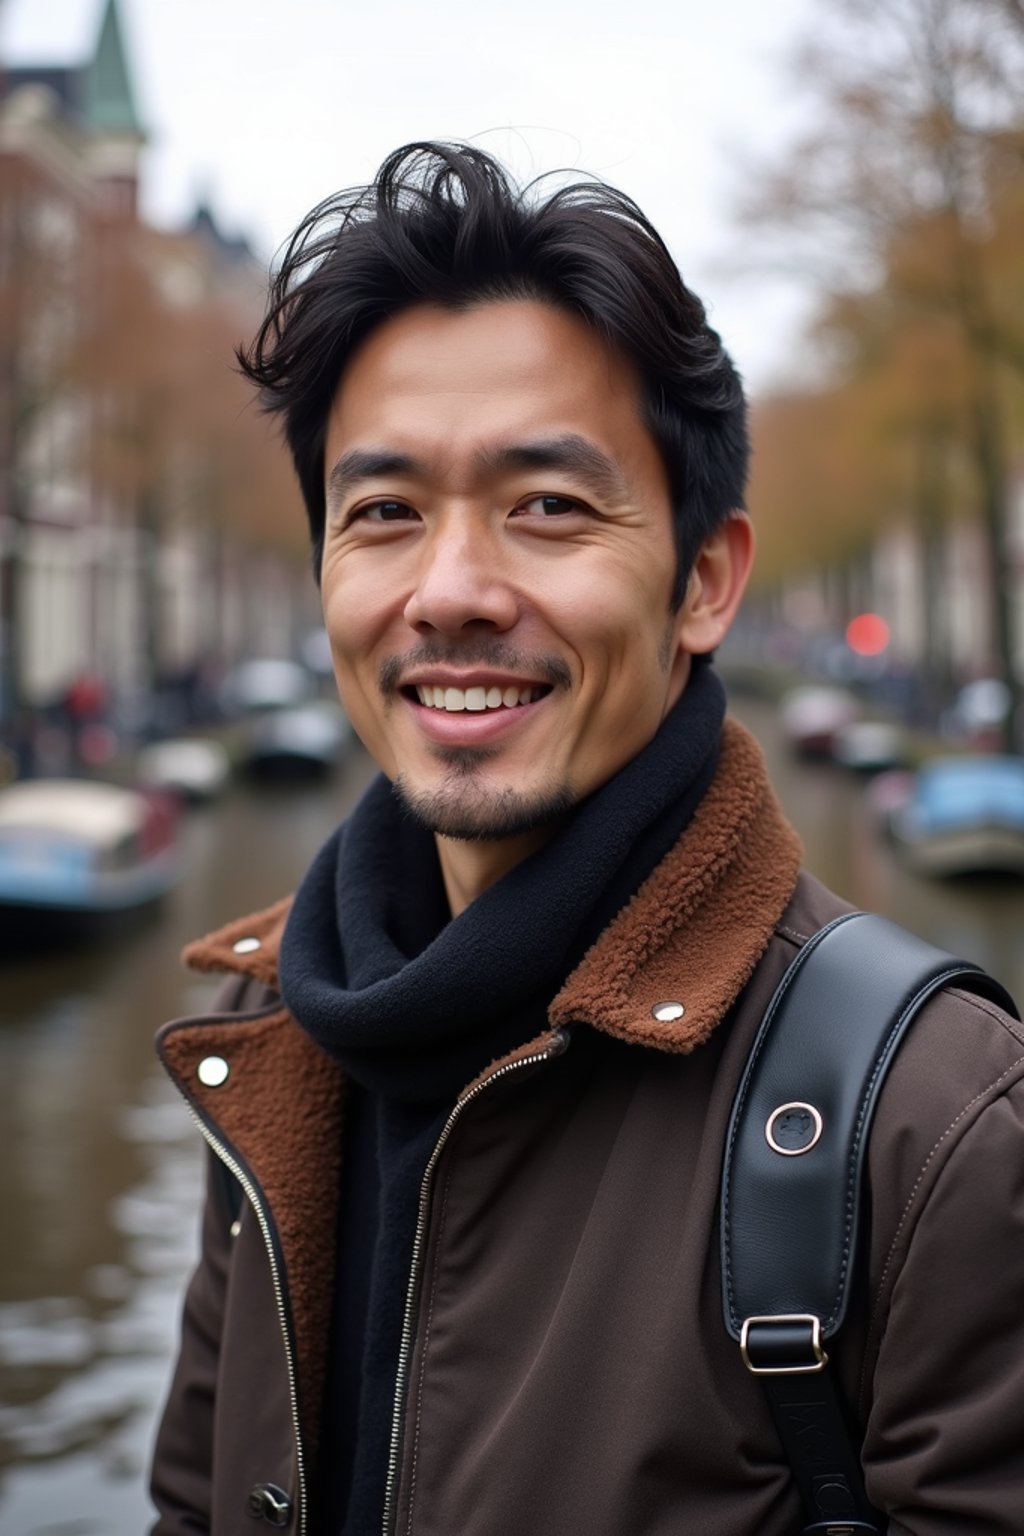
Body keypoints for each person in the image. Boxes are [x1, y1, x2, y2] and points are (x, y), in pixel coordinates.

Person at [149, 143, 1024, 1536]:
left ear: (704, 582)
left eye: (547, 507)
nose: (450, 593)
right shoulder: (263, 1035)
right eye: (382, 514)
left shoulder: (936, 1122)